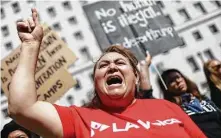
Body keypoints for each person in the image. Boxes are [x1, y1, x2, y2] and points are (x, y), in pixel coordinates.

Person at [7, 8, 206, 138]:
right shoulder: (78, 118)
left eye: (120, 62)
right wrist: (31, 45)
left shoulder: (167, 107)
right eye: (103, 66)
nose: (112, 67)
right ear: (96, 81)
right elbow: (22, 108)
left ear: (136, 76)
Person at [158, 68, 221, 138]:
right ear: (166, 88)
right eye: (171, 81)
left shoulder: (202, 98)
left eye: (178, 77)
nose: (177, 81)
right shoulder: (172, 108)